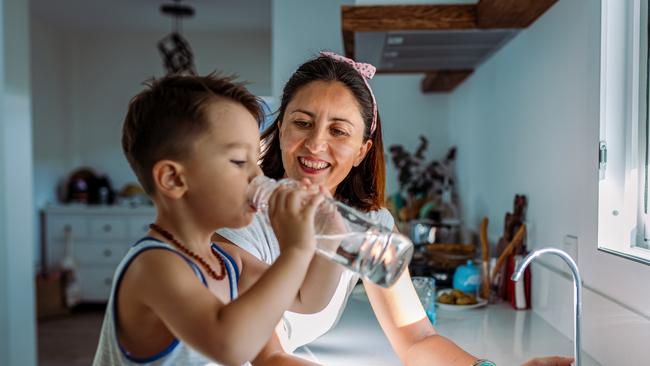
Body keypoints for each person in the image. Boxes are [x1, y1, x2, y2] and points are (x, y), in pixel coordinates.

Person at [215, 52, 574, 366]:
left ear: (362, 151)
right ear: (280, 131)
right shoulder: (239, 219)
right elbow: (268, 356)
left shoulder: (370, 223)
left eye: (338, 130)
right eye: (303, 123)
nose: (316, 143)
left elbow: (416, 339)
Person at [93, 74, 343, 366]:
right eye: (239, 161)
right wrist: (296, 249)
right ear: (173, 179)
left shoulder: (229, 262)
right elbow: (229, 346)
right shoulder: (153, 267)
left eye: (255, 161)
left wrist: (331, 241)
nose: (258, 177)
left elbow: (304, 305)